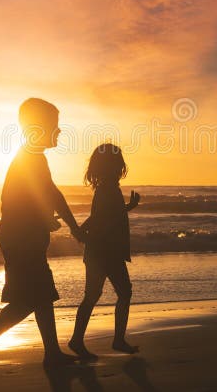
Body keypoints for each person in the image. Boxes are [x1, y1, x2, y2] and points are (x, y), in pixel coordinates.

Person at [0, 98, 86, 374]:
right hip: (21, 237)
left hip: (24, 235)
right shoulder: (29, 158)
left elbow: (48, 194)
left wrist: (64, 222)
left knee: (42, 294)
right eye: (54, 126)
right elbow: (27, 199)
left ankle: (52, 353)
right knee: (31, 298)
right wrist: (57, 221)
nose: (59, 131)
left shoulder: (34, 157)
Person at [68, 143, 141, 360]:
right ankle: (112, 340)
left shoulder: (106, 189)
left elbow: (105, 215)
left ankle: (80, 340)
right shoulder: (108, 189)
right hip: (105, 252)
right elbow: (105, 220)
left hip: (101, 251)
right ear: (113, 166)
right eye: (118, 163)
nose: (120, 167)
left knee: (96, 295)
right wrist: (89, 233)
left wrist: (128, 207)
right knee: (120, 293)